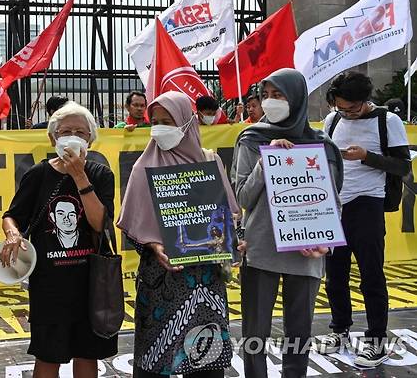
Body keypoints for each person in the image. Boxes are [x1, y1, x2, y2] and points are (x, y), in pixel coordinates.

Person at [231, 68, 344, 378]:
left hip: (307, 250)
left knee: (299, 332)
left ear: (295, 98)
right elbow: (242, 196)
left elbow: (333, 200)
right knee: (255, 331)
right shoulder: (251, 138)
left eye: (278, 95)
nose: (270, 102)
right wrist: (265, 163)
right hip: (262, 250)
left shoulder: (322, 143)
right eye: (266, 95)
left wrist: (326, 242)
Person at [118, 91, 239, 378]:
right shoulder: (142, 167)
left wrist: (233, 239)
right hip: (161, 282)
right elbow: (134, 226)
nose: (159, 128)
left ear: (187, 123)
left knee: (205, 361)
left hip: (205, 283)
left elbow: (228, 216)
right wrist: (153, 245)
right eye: (155, 121)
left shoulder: (210, 162)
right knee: (156, 358)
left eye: (168, 121)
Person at [0, 101, 118, 378]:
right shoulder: (38, 175)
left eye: (81, 131)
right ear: (53, 137)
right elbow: (12, 216)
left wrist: (79, 177)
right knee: (48, 357)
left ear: (91, 138)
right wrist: (13, 233)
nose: (73, 137)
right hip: (49, 283)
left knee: (87, 354)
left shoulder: (101, 174)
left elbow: (100, 223)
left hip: (90, 282)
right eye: (66, 131)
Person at [316, 72, 410, 367]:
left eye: (352, 108)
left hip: (368, 203)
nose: (346, 113)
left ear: (365, 101)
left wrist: (367, 156)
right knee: (335, 275)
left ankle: (377, 340)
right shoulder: (333, 121)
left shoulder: (387, 122)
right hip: (336, 205)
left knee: (371, 274)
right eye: (341, 108)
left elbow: (402, 166)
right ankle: (339, 329)